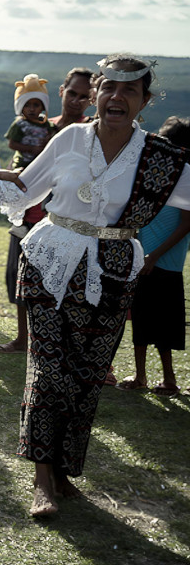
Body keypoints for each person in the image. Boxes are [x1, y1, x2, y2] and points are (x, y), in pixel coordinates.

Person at [0, 53, 190, 518]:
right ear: (96, 95)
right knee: (49, 370)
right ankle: (42, 479)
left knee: (87, 376)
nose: (116, 96)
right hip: (51, 259)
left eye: (129, 90)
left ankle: (65, 470)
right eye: (108, 87)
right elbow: (23, 188)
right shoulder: (70, 137)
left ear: (144, 100)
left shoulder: (162, 158)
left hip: (113, 268)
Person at [117, 116, 190, 396]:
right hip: (142, 259)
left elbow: (186, 223)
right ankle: (140, 376)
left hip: (165, 264)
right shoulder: (156, 176)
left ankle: (170, 379)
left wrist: (154, 256)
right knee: (142, 319)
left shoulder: (186, 178)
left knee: (164, 325)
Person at [0, 74, 55, 354]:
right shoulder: (20, 125)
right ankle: (23, 337)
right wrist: (32, 149)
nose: (33, 110)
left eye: (37, 105)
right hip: (23, 174)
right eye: (28, 105)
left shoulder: (49, 127)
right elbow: (12, 145)